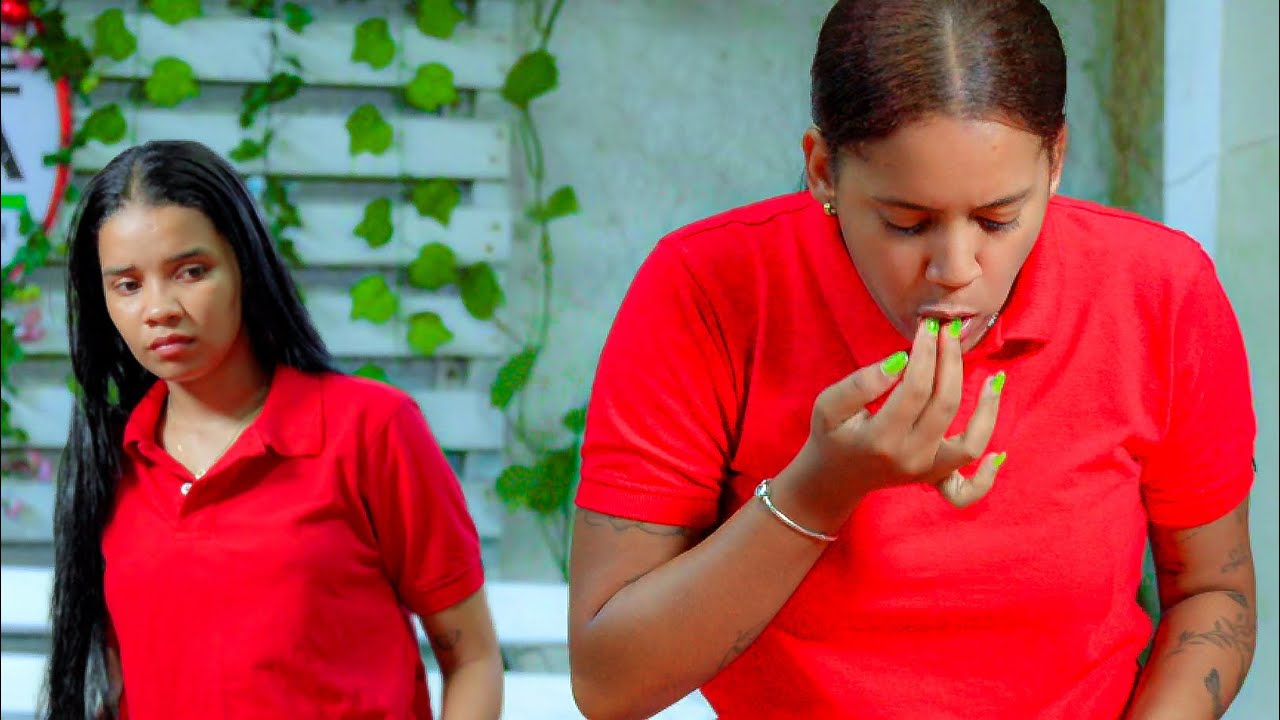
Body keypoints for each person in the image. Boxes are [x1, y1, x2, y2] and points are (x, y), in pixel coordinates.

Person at [567, 1, 1257, 719]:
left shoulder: (1158, 295)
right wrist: (818, 491)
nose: (956, 269)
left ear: (1055, 161)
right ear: (823, 170)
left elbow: (1216, 594)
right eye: (905, 222)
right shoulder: (707, 293)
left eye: (998, 219)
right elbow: (610, 686)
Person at [46, 140, 503, 719]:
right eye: (128, 284)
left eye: (191, 271)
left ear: (245, 266)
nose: (158, 308)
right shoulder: (111, 463)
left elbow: (473, 657)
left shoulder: (370, 429)